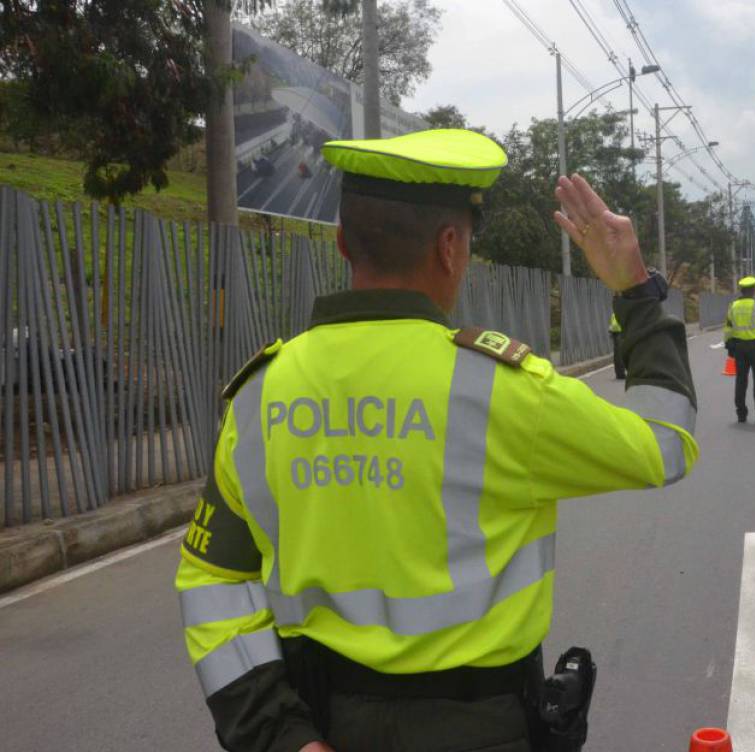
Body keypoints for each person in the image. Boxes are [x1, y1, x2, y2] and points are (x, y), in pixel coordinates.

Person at [174, 129, 698, 752]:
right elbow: (664, 443)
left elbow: (213, 584)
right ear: (450, 248)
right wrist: (636, 292)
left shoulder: (261, 394)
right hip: (482, 730)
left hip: (318, 726)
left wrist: (278, 737)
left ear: (343, 242)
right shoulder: (504, 390)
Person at [724, 276, 755, 424]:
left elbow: (728, 328)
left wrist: (729, 346)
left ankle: (741, 414)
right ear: (753, 290)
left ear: (741, 290)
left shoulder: (732, 307)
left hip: (739, 348)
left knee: (741, 381)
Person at [608, 310, 625, 379]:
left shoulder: (616, 310)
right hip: (621, 331)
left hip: (615, 332)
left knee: (617, 354)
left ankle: (619, 373)